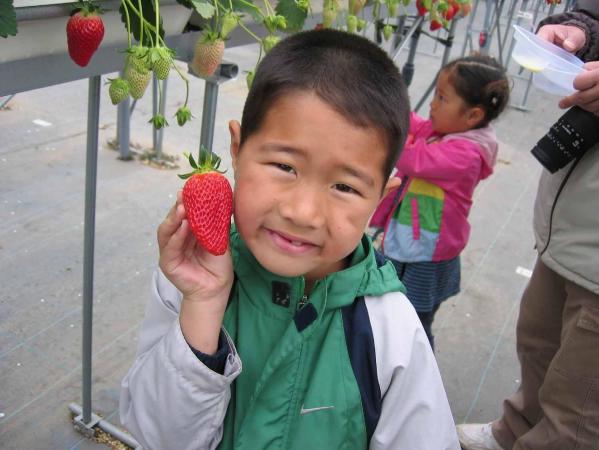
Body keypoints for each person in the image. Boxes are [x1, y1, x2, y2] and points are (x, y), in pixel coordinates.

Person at [119, 29, 461, 450]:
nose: (302, 212)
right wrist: (204, 306)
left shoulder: (390, 329)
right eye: (284, 165)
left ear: (381, 196)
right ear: (238, 148)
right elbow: (158, 437)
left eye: (345, 187)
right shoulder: (187, 283)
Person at [457, 1, 599, 449]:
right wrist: (576, 32)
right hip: (571, 218)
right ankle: (514, 430)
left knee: (579, 400)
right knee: (538, 336)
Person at [369, 54, 510, 350]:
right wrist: (389, 100)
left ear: (472, 115)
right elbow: (416, 125)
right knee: (390, 308)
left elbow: (414, 160)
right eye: (435, 94)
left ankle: (418, 370)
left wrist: (382, 136)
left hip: (427, 255)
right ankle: (387, 356)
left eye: (442, 98)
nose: (433, 104)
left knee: (415, 320)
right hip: (412, 240)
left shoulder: (465, 155)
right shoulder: (448, 130)